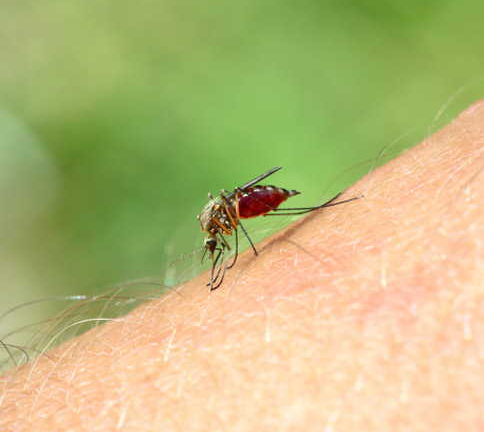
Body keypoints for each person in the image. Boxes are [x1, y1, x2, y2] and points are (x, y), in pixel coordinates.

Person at [2, 101, 483, 430]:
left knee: (253, 219)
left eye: (216, 243)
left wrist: (239, 234)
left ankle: (314, 209)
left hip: (247, 201)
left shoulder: (225, 221)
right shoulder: (217, 226)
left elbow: (230, 217)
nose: (217, 242)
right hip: (239, 205)